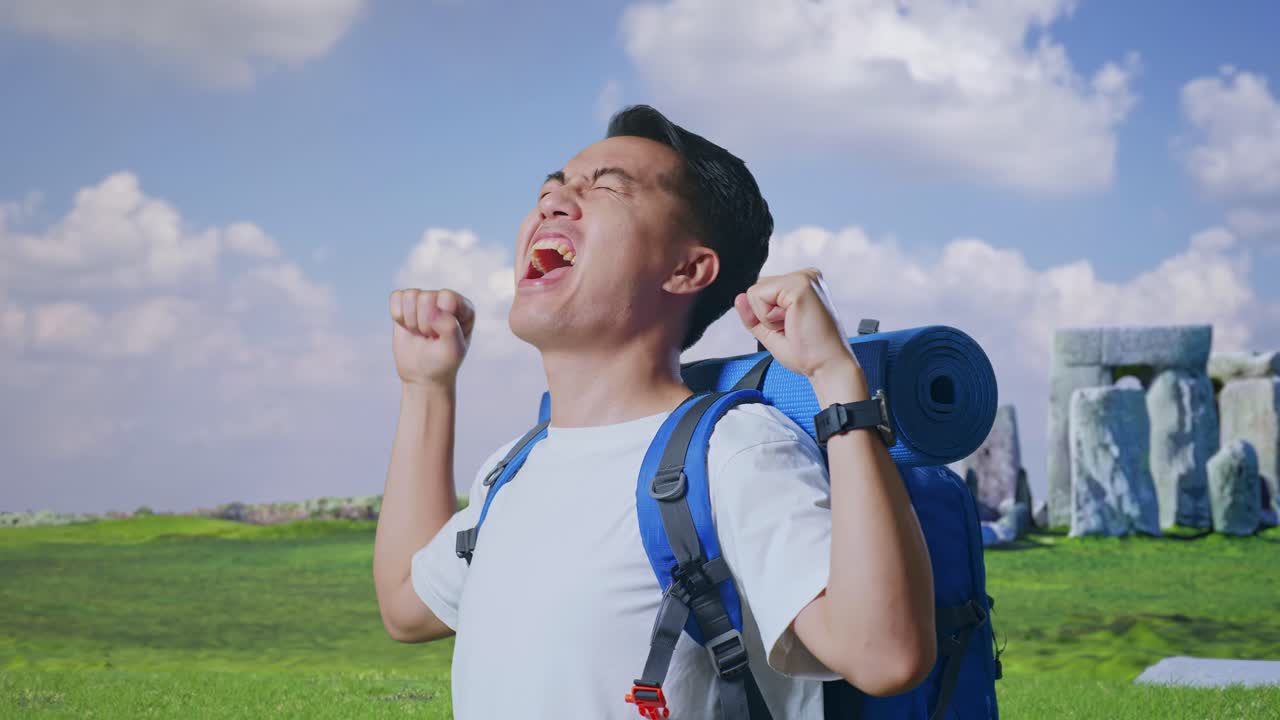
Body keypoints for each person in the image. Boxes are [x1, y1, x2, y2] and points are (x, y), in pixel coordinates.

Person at [372, 105, 936, 719]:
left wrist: (834, 378)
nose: (554, 202)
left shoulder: (734, 450)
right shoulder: (513, 468)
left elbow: (885, 657)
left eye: (607, 186)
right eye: (550, 189)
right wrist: (427, 386)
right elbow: (406, 605)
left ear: (688, 268)